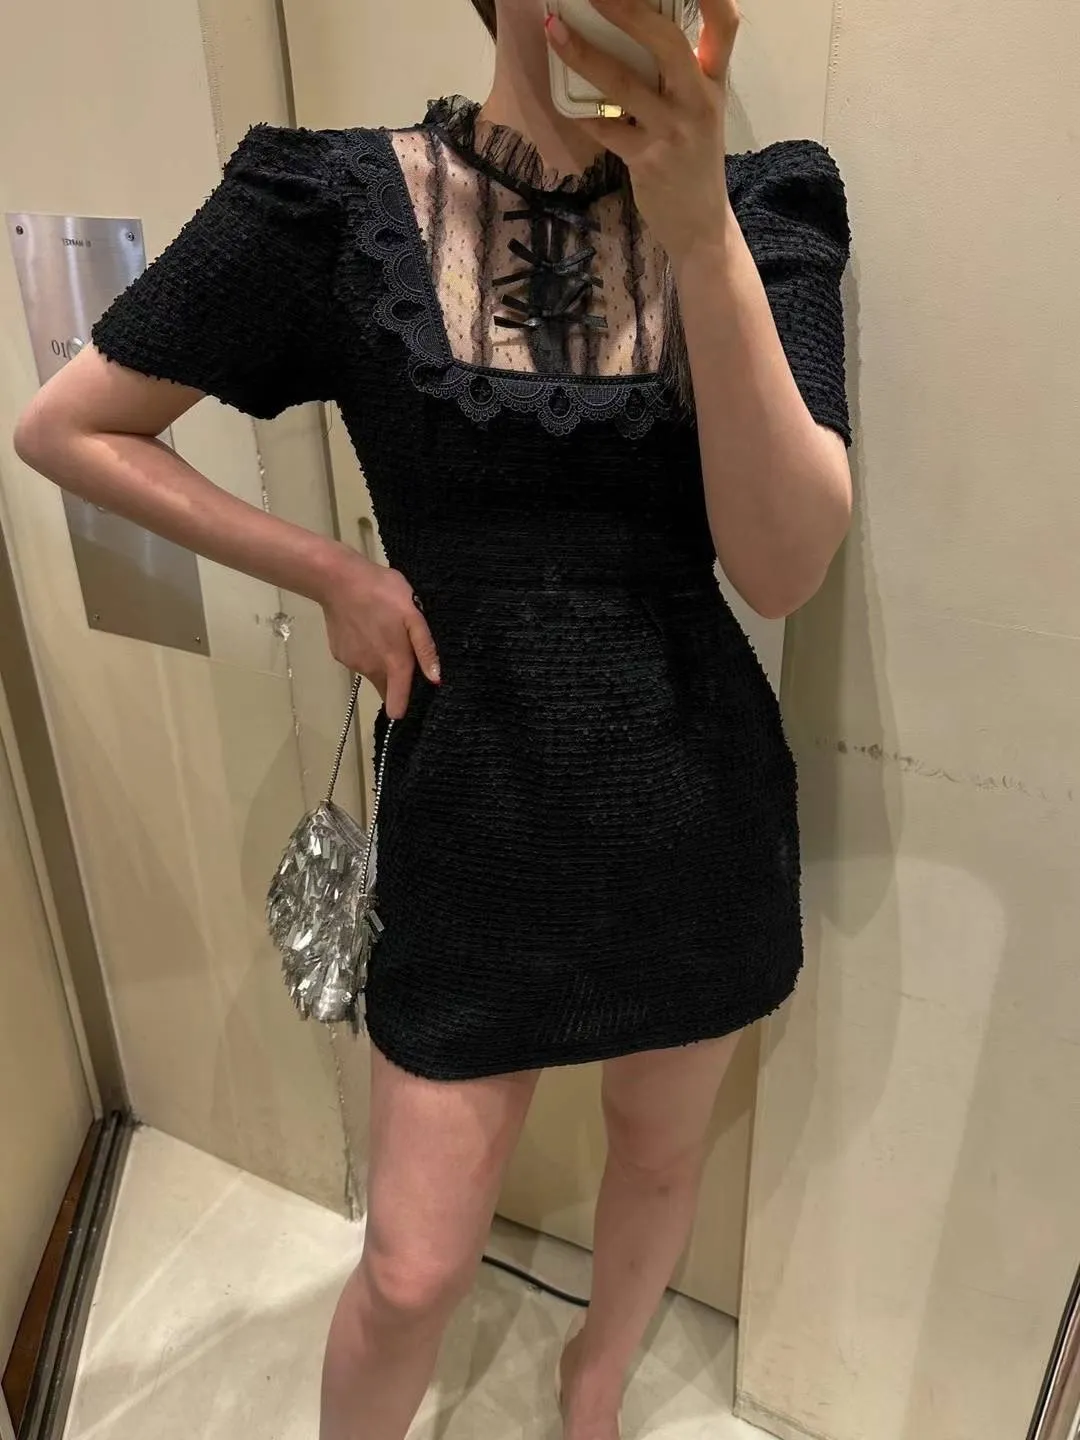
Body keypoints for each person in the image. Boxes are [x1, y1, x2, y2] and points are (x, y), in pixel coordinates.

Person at [15, 0, 853, 1434]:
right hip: (471, 820)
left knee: (660, 1161)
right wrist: (328, 571)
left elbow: (780, 568)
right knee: (409, 1272)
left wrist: (698, 229)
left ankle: (593, 1396)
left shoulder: (771, 213)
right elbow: (68, 427)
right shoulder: (341, 204)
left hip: (693, 816)